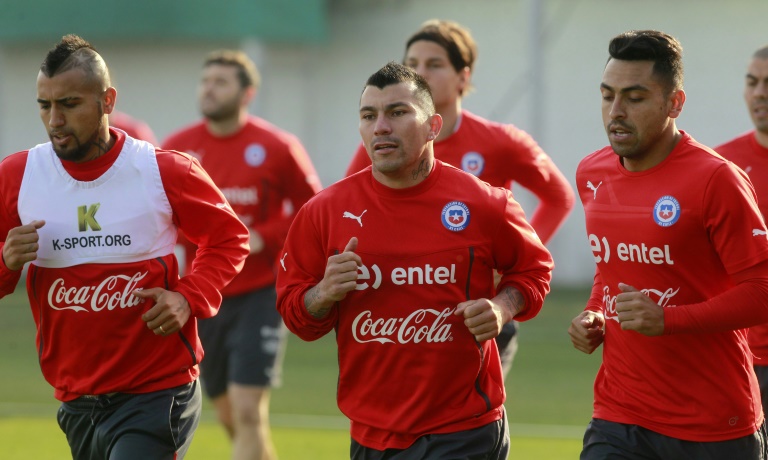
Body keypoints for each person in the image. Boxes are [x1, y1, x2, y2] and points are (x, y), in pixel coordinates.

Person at [276, 61, 553, 459]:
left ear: (433, 126)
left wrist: (501, 307)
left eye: (397, 112)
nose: (380, 127)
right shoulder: (323, 212)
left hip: (464, 429)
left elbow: (534, 271)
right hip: (371, 433)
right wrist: (323, 293)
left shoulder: (485, 203)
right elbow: (296, 315)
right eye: (368, 116)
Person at [0, 35, 250, 459]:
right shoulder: (17, 176)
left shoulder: (164, 170)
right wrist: (6, 261)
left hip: (157, 391)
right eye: (45, 105)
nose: (55, 119)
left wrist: (188, 297)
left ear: (107, 101)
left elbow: (229, 238)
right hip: (76, 399)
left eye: (70, 104)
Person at [569, 29, 768, 459]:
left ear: (675, 103)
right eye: (607, 96)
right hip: (619, 414)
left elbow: (762, 292)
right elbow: (611, 265)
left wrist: (669, 319)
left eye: (635, 98)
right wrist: (595, 311)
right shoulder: (591, 173)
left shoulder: (716, 179)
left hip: (712, 423)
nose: (616, 112)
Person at [344, 19, 574, 375]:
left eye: (434, 64)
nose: (421, 73)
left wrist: (513, 262)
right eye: (412, 63)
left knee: (473, 402)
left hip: (478, 309)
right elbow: (351, 205)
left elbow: (559, 198)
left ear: (463, 77)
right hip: (406, 311)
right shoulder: (385, 143)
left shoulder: (500, 142)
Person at [162, 49, 322, 460]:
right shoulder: (178, 148)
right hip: (203, 294)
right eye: (205, 81)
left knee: (248, 409)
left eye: (221, 82)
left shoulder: (277, 146)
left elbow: (313, 211)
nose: (209, 89)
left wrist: (262, 237)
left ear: (247, 93)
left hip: (260, 293)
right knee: (231, 414)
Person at [715, 45, 768, 418]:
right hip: (738, 358)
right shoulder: (720, 166)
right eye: (752, 82)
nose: (759, 93)